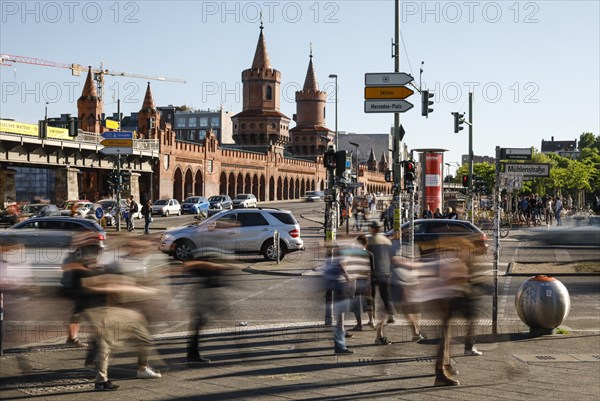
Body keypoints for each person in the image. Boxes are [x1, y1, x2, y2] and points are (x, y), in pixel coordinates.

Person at [366, 220, 395, 345]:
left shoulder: (369, 241)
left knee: (370, 297)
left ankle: (371, 319)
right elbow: (392, 257)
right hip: (385, 273)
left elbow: (366, 256)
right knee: (385, 295)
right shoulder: (387, 241)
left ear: (373, 229)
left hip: (373, 273)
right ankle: (391, 314)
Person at [349, 235, 375, 331]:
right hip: (367, 280)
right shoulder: (370, 254)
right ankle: (371, 320)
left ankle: (359, 324)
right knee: (368, 301)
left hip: (357, 280)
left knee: (356, 302)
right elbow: (373, 269)